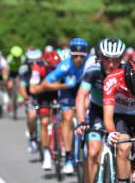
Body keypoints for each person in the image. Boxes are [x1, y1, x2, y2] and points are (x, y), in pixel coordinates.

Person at [75, 38, 125, 183]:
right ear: (99, 58)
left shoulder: (125, 71)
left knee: (125, 148)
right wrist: (81, 121)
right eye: (106, 59)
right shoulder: (93, 72)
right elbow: (81, 96)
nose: (111, 64)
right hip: (97, 111)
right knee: (93, 152)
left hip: (119, 112)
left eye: (116, 59)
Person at [40, 37, 89, 175]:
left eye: (81, 56)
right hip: (67, 92)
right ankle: (68, 157)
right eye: (75, 56)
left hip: (83, 91)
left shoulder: (89, 64)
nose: (78, 58)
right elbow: (46, 83)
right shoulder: (65, 65)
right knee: (67, 118)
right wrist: (62, 85)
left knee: (87, 113)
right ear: (71, 54)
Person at [29, 49, 61, 170]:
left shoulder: (62, 66)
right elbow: (33, 89)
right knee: (44, 122)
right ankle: (46, 153)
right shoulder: (38, 67)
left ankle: (63, 148)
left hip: (57, 94)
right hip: (43, 95)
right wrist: (46, 86)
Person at [20, 48, 42, 153]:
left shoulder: (44, 68)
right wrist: (26, 98)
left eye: (36, 62)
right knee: (32, 115)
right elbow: (22, 87)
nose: (34, 64)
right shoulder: (24, 71)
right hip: (30, 96)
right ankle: (32, 136)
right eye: (31, 62)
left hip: (42, 95)